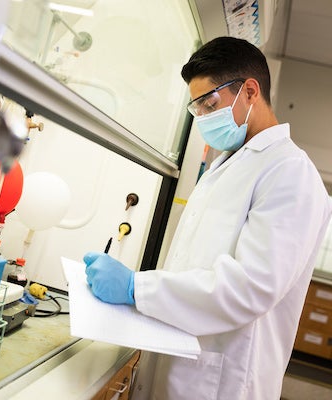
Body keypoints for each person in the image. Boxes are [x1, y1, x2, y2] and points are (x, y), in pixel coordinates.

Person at [83, 36, 332, 400]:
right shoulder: (226, 164)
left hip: (222, 383)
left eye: (209, 104)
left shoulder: (290, 172)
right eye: (196, 109)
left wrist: (138, 288)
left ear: (250, 91)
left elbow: (250, 288)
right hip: (179, 361)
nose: (203, 118)